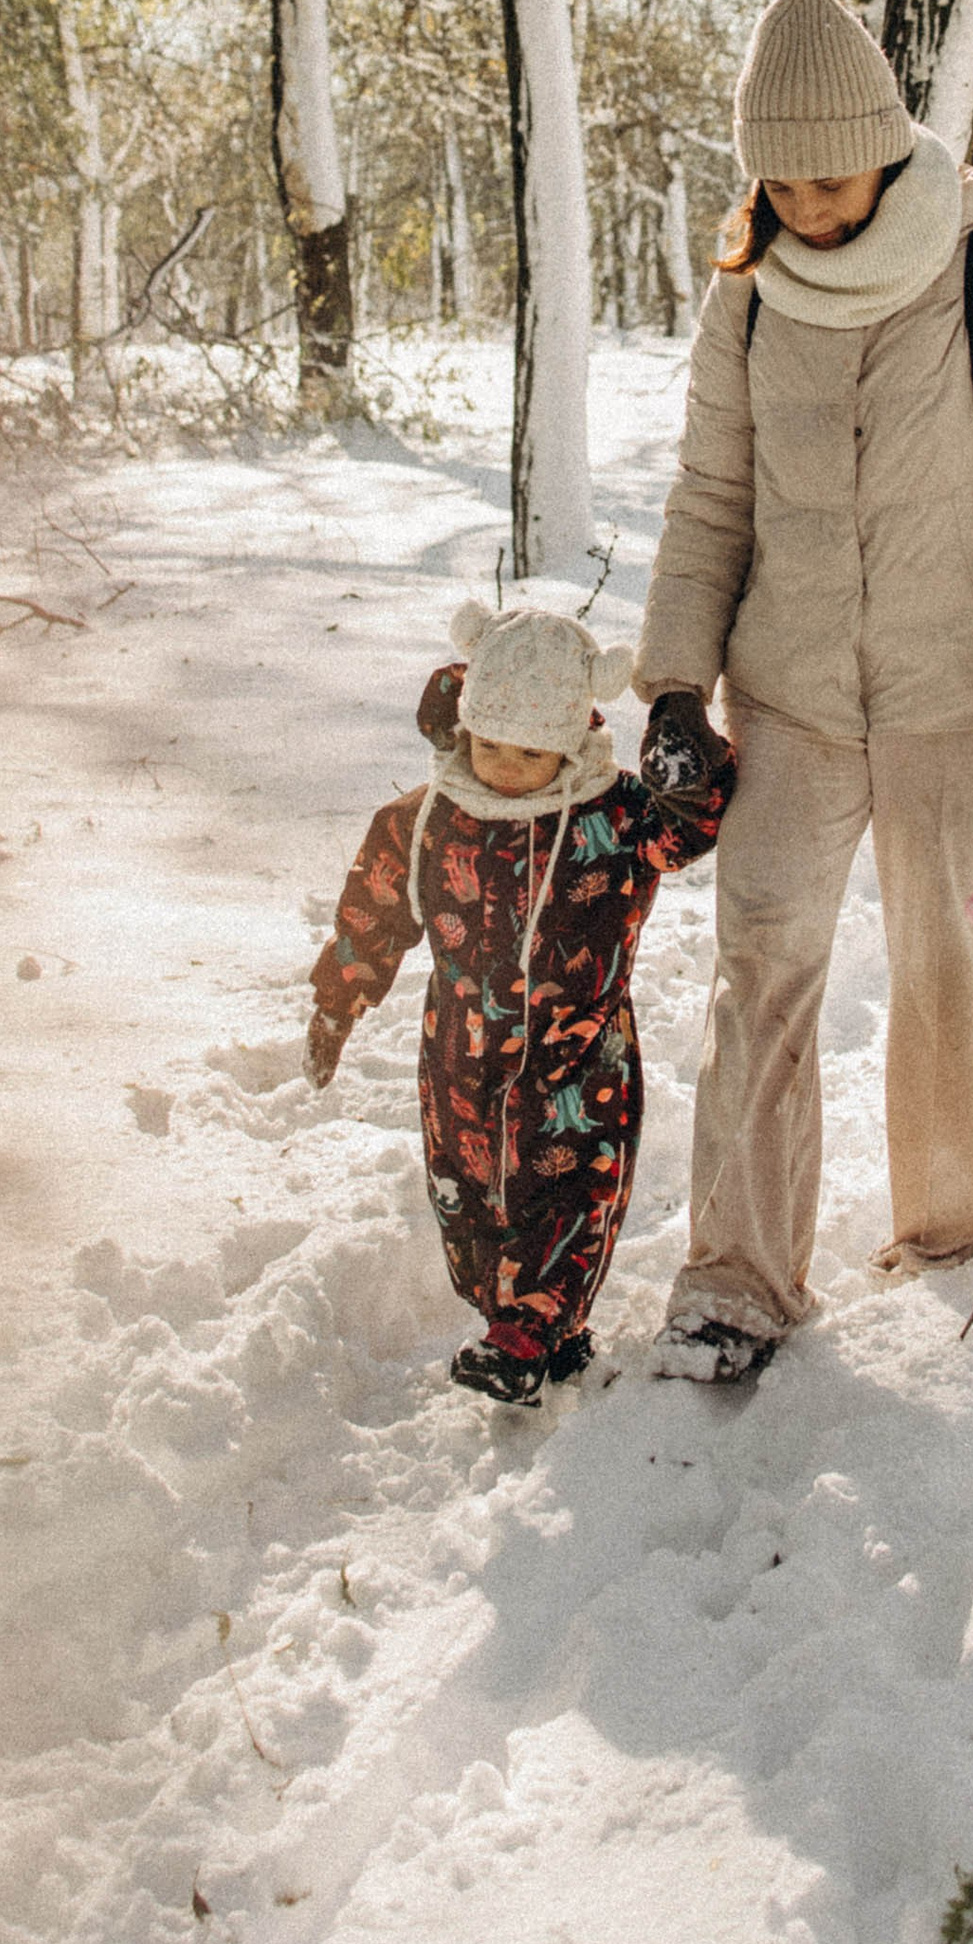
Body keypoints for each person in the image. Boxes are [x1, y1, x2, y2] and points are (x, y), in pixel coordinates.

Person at [634, 0, 973, 1383]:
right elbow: (708, 496)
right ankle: (737, 1277)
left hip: (960, 694)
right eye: (778, 182)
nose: (809, 206)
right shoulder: (748, 295)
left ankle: (953, 1238)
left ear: (889, 154)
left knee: (953, 958)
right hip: (785, 694)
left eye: (831, 178)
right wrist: (674, 683)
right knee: (760, 967)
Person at [306, 599, 735, 1403]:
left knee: (568, 1196)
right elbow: (374, 913)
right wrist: (338, 1002)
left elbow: (693, 825)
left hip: (578, 1061)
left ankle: (530, 1329)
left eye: (531, 752)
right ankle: (531, 1327)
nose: (505, 765)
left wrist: (699, 765)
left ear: (572, 741)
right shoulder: (427, 818)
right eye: (490, 741)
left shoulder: (611, 814)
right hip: (459, 1057)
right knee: (470, 1209)